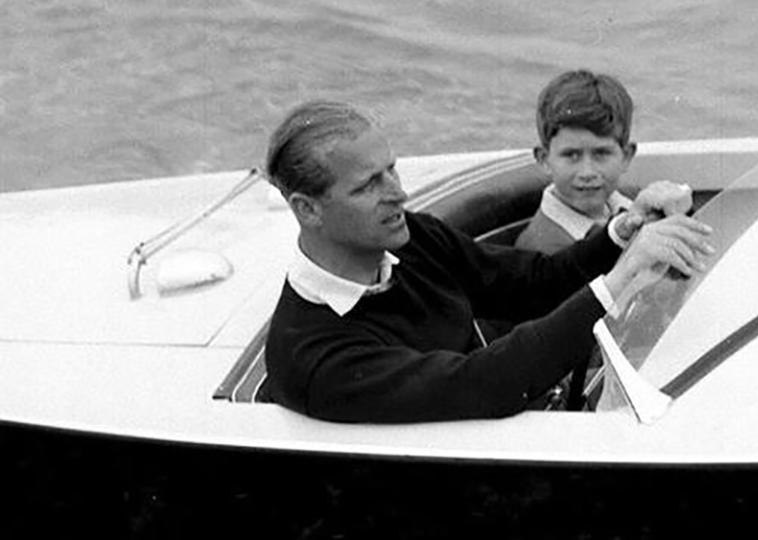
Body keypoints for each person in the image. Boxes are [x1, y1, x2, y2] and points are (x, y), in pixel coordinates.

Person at [263, 99, 713, 423]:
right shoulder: (316, 359)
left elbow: (530, 284)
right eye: (368, 186)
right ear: (307, 209)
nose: (398, 193)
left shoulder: (409, 237)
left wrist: (623, 230)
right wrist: (624, 278)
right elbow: (485, 383)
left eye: (392, 171)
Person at [516, 69, 692, 254]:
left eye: (601, 154)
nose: (587, 173)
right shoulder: (539, 251)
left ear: (626, 156)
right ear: (544, 159)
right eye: (571, 155)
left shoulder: (633, 200)